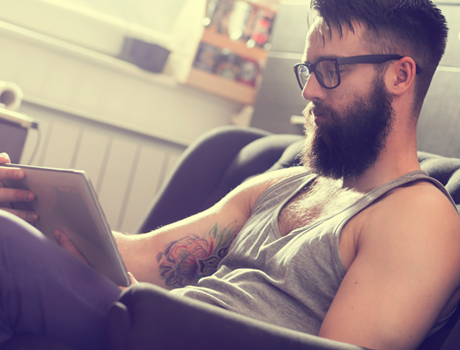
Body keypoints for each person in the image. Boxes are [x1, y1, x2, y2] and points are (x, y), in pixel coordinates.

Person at [0, 0, 459, 349]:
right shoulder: (284, 183)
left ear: (400, 76)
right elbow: (146, 257)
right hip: (140, 318)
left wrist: (150, 311)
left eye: (331, 70)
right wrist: (40, 211)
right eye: (309, 69)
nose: (310, 89)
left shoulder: (417, 217)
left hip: (150, 328)